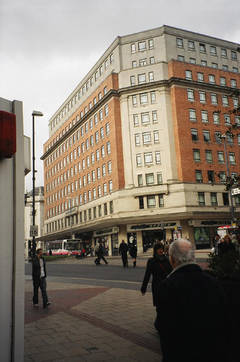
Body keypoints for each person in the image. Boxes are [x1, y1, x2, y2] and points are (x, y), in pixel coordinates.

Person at [155, 239, 228, 362]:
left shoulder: (167, 286)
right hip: (211, 352)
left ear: (172, 260)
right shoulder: (214, 282)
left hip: (180, 353)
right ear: (193, 257)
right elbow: (224, 319)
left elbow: (163, 326)